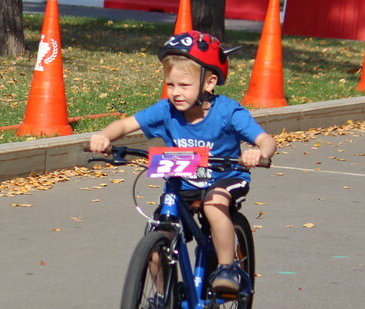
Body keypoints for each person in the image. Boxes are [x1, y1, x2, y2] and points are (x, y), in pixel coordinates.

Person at [88, 30, 276, 295]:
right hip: (183, 181)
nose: (175, 92)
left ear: (209, 83)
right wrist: (104, 136)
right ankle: (164, 300)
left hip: (225, 177)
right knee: (157, 238)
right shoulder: (166, 110)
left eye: (184, 85)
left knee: (214, 205)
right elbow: (125, 124)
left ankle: (227, 268)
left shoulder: (228, 112)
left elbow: (266, 139)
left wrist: (259, 153)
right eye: (171, 85)